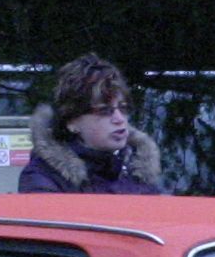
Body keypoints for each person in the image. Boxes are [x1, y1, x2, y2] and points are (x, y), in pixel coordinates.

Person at [18, 53, 163, 195]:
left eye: (123, 108)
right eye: (104, 111)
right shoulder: (43, 177)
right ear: (72, 122)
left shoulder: (137, 173)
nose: (119, 119)